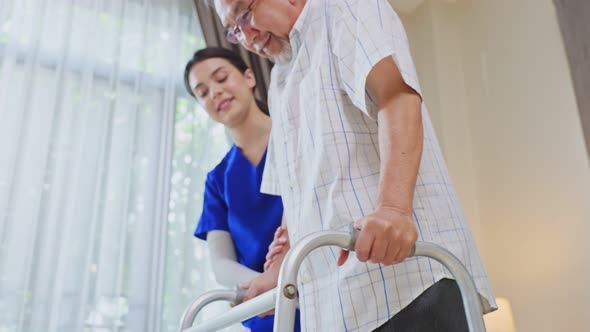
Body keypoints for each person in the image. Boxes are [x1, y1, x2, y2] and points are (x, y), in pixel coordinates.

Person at [210, 0, 497, 331]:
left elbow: (395, 97)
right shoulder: (279, 80)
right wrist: (277, 270)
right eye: (234, 31)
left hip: (407, 282)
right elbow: (296, 191)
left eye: (245, 15)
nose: (247, 36)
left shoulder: (344, 8)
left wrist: (393, 209)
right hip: (338, 308)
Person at [184, 47, 300, 332]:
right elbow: (221, 262)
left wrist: (283, 282)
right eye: (202, 92)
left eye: (221, 78)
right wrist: (268, 289)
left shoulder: (298, 137)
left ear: (249, 77)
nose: (215, 92)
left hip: (322, 293)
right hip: (265, 310)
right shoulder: (218, 180)